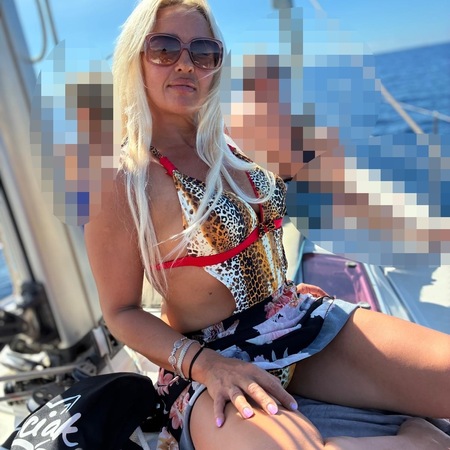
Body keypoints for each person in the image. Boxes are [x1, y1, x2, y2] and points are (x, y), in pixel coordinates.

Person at [84, 0, 450, 448]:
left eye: (204, 52)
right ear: (135, 57)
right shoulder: (122, 179)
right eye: (164, 48)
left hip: (293, 316)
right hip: (213, 354)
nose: (185, 64)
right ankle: (422, 439)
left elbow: (320, 178)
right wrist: (207, 366)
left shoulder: (232, 137)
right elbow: (120, 312)